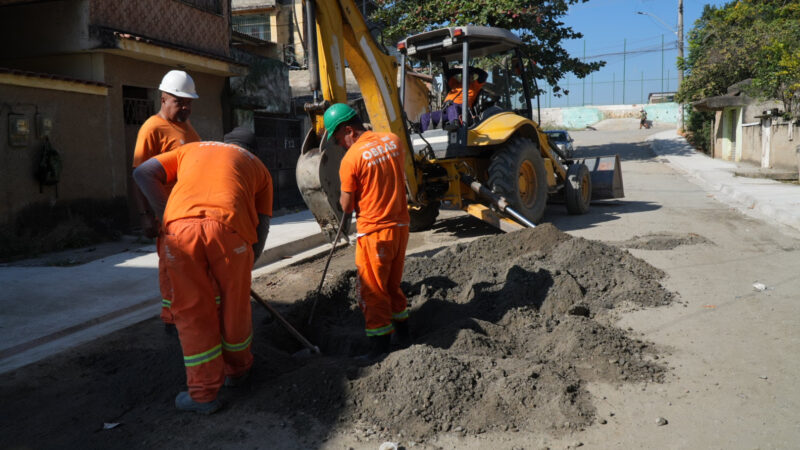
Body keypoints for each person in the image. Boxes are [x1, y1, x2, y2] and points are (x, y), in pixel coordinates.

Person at [133, 127, 273, 414]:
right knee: (235, 306)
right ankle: (238, 371)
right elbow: (263, 225)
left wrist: (166, 216)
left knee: (192, 310)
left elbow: (142, 173)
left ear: (224, 143)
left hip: (179, 233)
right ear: (252, 150)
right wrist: (247, 263)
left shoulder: (190, 149)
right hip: (230, 232)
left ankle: (203, 395)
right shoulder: (258, 168)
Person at [324, 103, 411, 360]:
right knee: (392, 287)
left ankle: (379, 352)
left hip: (375, 232)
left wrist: (343, 197)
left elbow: (348, 205)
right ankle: (405, 337)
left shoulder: (351, 159)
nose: (340, 145)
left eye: (339, 139)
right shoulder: (393, 141)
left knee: (372, 292)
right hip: (401, 227)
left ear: (349, 130)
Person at [132, 70, 201, 332]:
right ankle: (172, 319)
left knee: (191, 267)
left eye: (189, 103)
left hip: (191, 213)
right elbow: (138, 175)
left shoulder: (188, 128)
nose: (186, 107)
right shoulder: (152, 128)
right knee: (171, 267)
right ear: (164, 99)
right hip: (168, 213)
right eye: (180, 102)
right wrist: (145, 215)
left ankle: (190, 312)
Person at [419, 66, 488, 132]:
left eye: (469, 75)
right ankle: (422, 135)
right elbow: (448, 73)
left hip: (462, 110)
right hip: (447, 110)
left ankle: (455, 124)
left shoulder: (474, 86)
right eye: (464, 75)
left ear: (472, 78)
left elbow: (484, 75)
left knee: (452, 107)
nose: (466, 77)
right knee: (425, 117)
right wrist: (461, 70)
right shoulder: (455, 84)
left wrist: (473, 69)